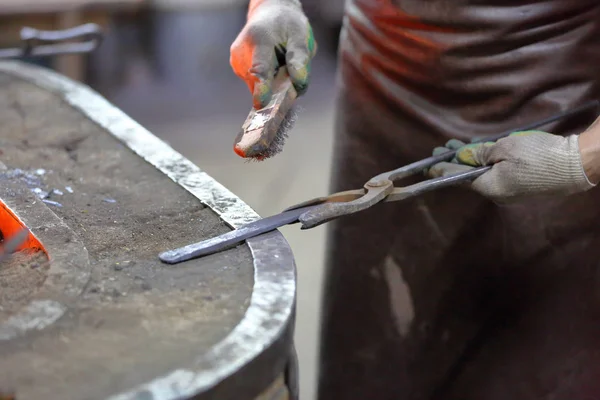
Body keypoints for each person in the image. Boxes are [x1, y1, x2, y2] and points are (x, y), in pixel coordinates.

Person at [230, 1, 600, 399]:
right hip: (379, 85)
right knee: (376, 356)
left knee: (536, 365)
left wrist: (576, 159)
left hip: (552, 101)